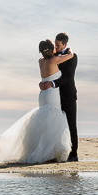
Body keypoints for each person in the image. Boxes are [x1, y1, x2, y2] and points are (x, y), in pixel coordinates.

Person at [0, 39, 74, 164]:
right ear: (51, 50)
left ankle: (42, 150)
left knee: (43, 119)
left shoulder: (41, 61)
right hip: (51, 93)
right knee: (52, 120)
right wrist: (69, 48)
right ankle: (48, 153)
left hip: (43, 94)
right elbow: (70, 55)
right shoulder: (53, 60)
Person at [39, 32, 78, 161]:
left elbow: (68, 77)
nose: (55, 47)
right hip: (54, 96)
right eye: (55, 45)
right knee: (54, 125)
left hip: (67, 95)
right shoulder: (53, 56)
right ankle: (55, 152)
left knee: (71, 124)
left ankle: (73, 154)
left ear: (65, 44)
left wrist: (52, 83)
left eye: (58, 45)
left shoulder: (73, 57)